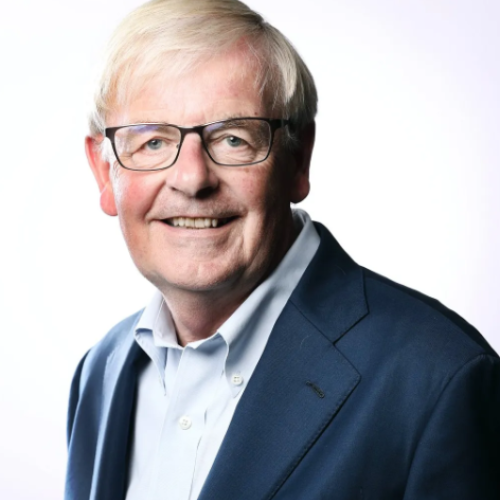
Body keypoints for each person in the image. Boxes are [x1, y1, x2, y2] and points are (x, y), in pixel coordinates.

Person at [65, 1, 500, 499]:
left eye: (233, 139)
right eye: (153, 143)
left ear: (299, 159)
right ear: (104, 173)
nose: (192, 178)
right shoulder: (100, 372)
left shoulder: (438, 380)